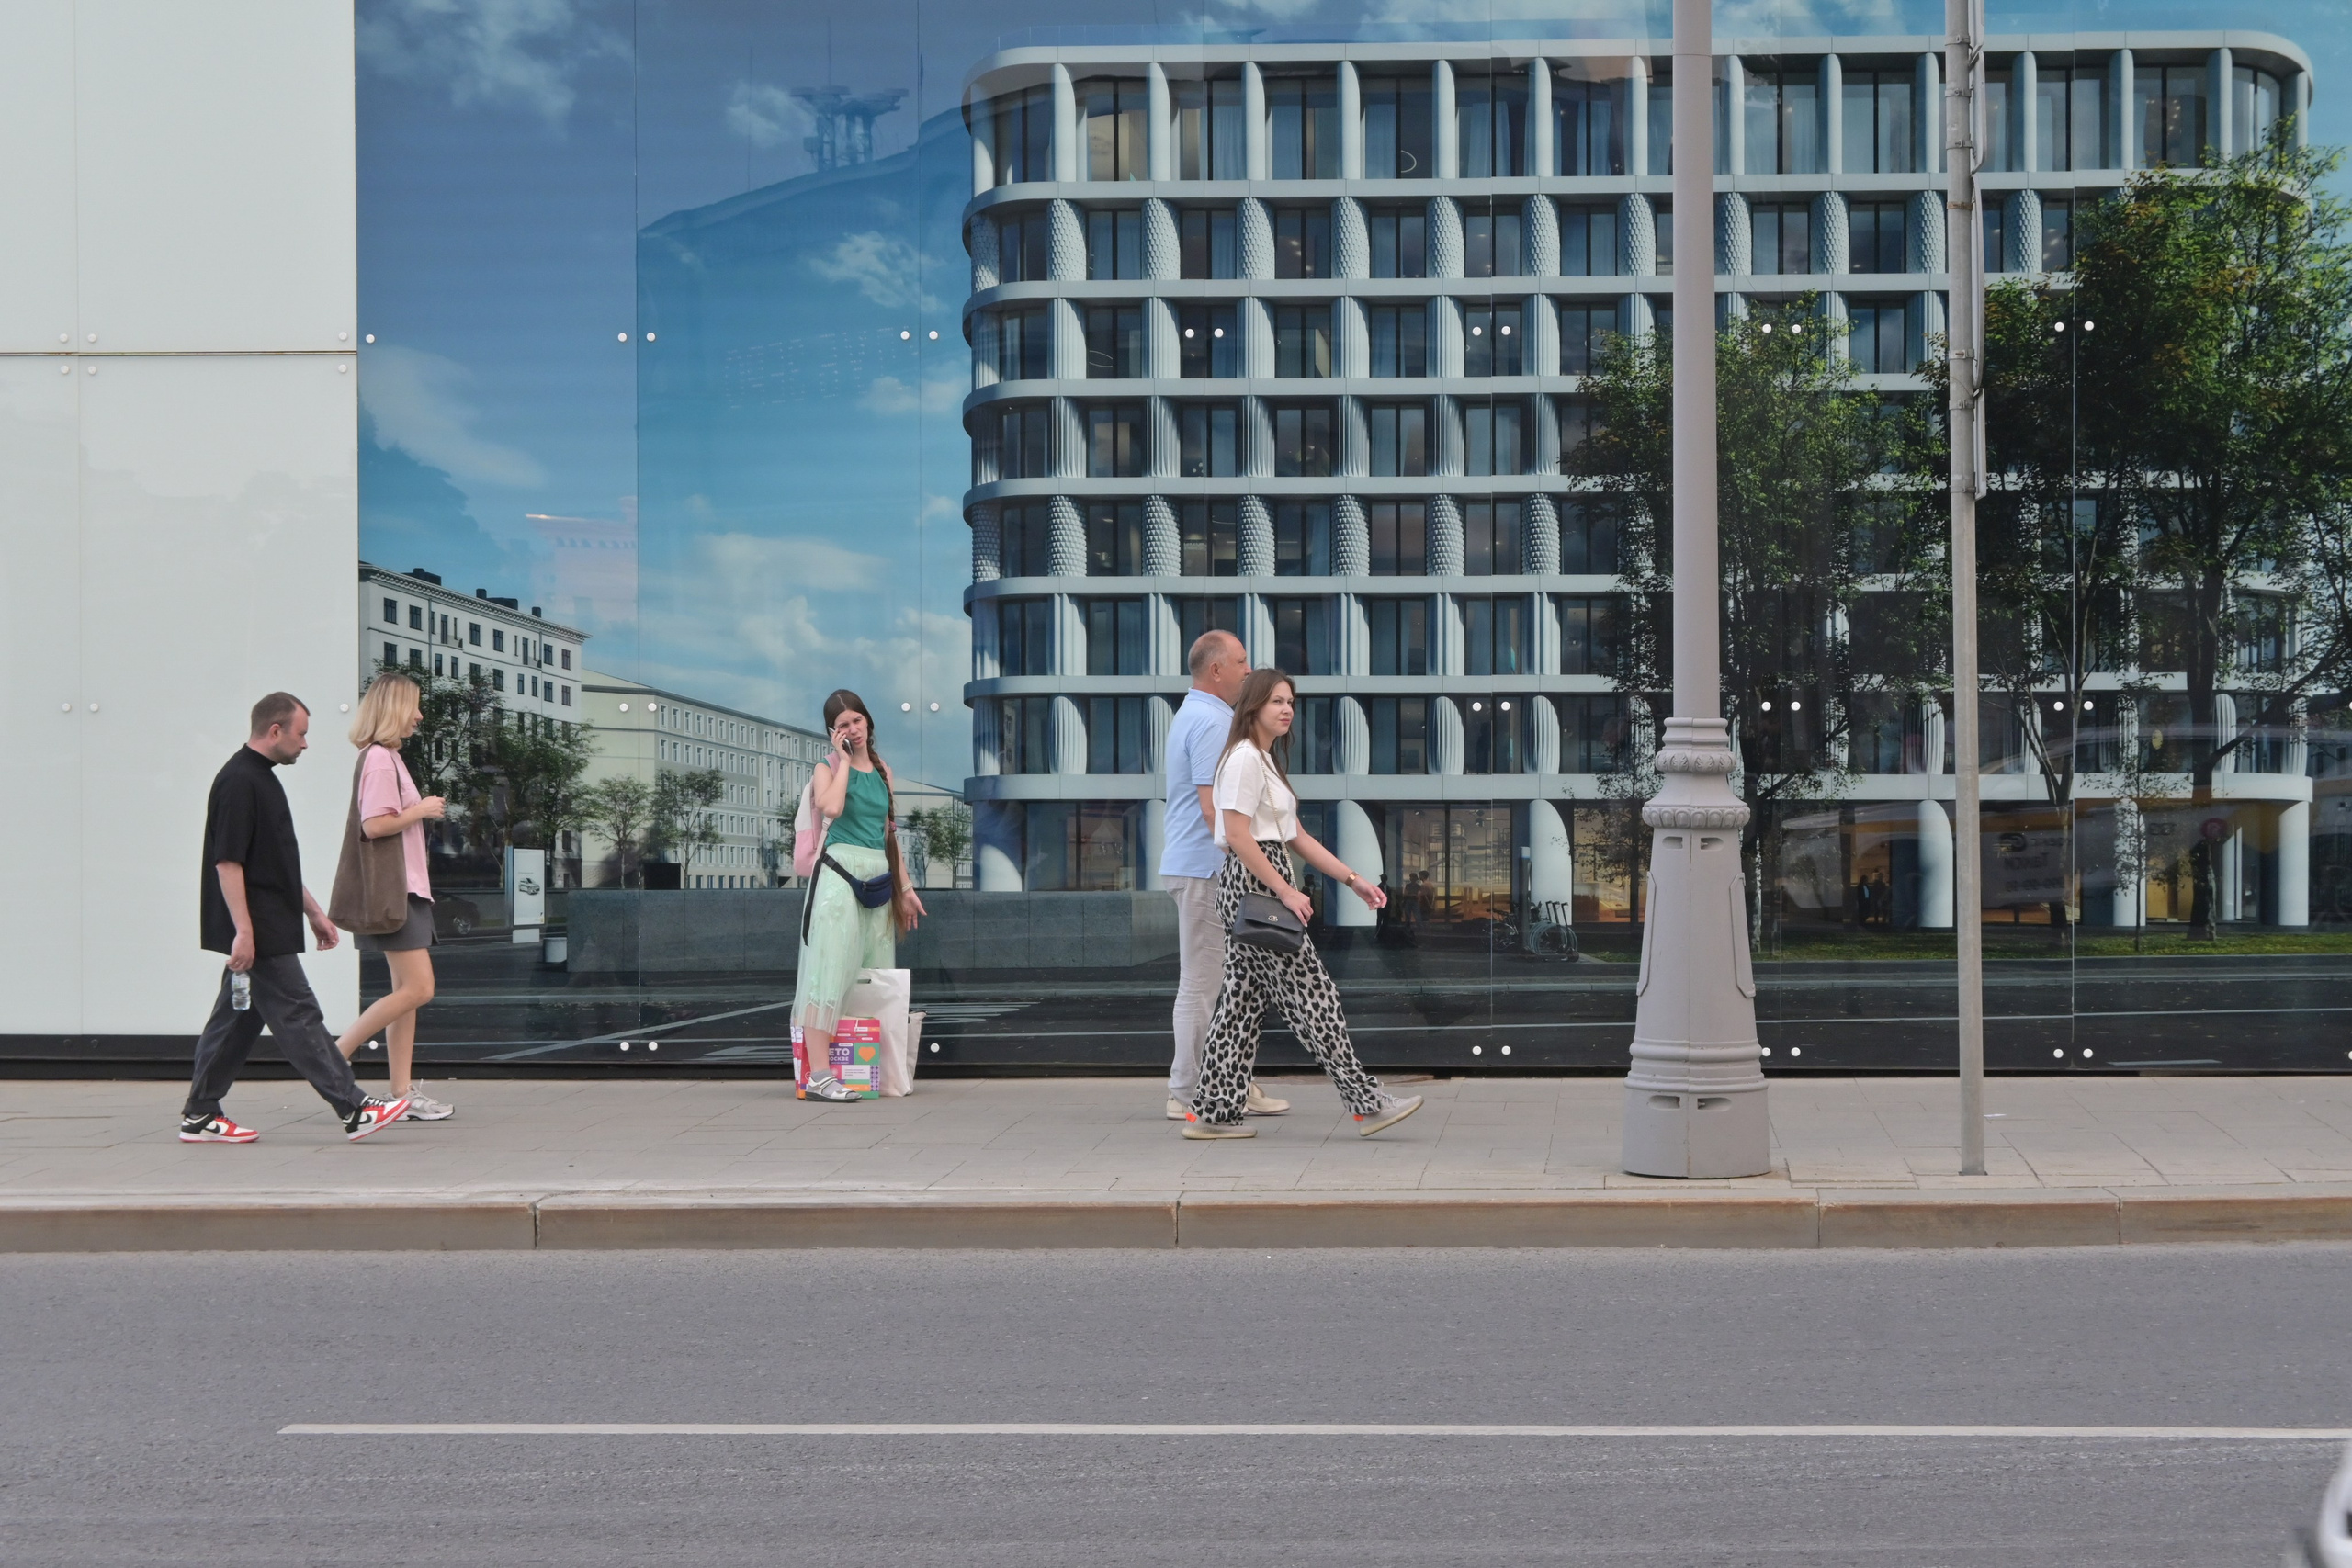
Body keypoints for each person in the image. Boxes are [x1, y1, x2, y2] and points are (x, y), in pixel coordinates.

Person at [1184, 669, 1420, 1142]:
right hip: (1258, 883)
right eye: (1276, 701)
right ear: (1253, 706)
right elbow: (1236, 836)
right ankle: (1366, 1103)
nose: (1287, 708)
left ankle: (1212, 1113)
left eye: (1290, 701)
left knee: (1240, 1007)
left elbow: (1296, 837)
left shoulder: (1264, 761)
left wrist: (1353, 880)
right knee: (1316, 997)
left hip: (1260, 880)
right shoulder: (1244, 760)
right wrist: (1287, 891)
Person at [179, 693, 410, 1143]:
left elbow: (274, 864)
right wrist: (244, 931)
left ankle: (200, 1111)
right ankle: (354, 1107)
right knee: (299, 1014)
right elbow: (228, 863)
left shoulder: (262, 778)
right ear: (275, 731)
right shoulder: (238, 781)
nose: (306, 744)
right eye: (301, 734)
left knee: (236, 1020)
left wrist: (315, 913)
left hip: (268, 921)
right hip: (259, 928)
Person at [1154, 629, 1288, 1122]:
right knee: (1203, 983)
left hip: (1201, 867)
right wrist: (1250, 866)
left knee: (1232, 983)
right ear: (1217, 670)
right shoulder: (1212, 723)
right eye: (1241, 661)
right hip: (1208, 870)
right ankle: (1186, 1091)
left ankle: (1231, 1079)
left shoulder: (1196, 714)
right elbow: (1216, 811)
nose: (1249, 670)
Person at [790, 689, 927, 1101]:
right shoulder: (826, 767)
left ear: (868, 721)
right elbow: (831, 809)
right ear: (833, 732)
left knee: (872, 972)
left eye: (857, 720)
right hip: (838, 877)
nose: (853, 729)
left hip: (878, 878)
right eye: (843, 724)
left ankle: (867, 1070)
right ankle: (818, 1076)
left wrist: (905, 888)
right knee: (829, 970)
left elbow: (889, 837)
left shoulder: (884, 769)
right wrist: (846, 761)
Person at [332, 673, 453, 1120]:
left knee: (407, 992)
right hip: (398, 891)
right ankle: (334, 1055)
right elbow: (374, 825)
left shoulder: (385, 757)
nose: (420, 715)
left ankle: (401, 1093)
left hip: (406, 890)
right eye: (414, 706)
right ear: (394, 709)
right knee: (420, 988)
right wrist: (419, 810)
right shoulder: (380, 760)